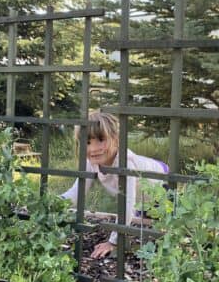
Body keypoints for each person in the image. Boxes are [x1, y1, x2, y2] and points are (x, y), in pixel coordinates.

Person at [61, 111, 169, 259]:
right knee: (142, 224)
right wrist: (54, 203)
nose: (94, 148)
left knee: (168, 234)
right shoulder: (90, 162)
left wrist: (112, 242)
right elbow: (76, 193)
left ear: (116, 139)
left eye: (101, 140)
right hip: (142, 199)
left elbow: (126, 205)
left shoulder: (125, 164)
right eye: (87, 142)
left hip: (162, 184)